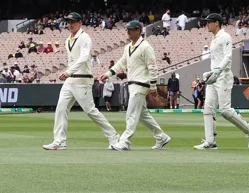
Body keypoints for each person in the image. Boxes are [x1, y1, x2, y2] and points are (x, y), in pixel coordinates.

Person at [44, 13, 119, 150]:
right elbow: (72, 59)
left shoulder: (85, 38)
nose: (70, 25)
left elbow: (84, 57)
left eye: (73, 22)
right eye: (68, 22)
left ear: (79, 23)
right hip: (70, 80)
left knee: (90, 111)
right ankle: (59, 141)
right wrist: (69, 72)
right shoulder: (68, 40)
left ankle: (113, 136)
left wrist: (69, 71)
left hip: (82, 79)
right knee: (61, 108)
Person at [102, 20, 171, 151]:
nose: (128, 31)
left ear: (139, 31)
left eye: (131, 29)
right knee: (142, 115)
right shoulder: (128, 47)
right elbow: (122, 62)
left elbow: (152, 67)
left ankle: (125, 141)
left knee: (131, 114)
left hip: (141, 85)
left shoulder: (146, 47)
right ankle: (161, 136)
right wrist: (109, 73)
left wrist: (152, 87)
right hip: (132, 84)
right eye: (127, 29)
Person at [194, 13, 249, 150]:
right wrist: (213, 72)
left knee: (225, 111)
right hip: (213, 77)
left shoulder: (225, 37)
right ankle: (210, 142)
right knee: (208, 108)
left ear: (216, 23)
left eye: (209, 22)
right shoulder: (213, 39)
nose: (207, 24)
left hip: (223, 76)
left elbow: (228, 57)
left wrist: (217, 71)